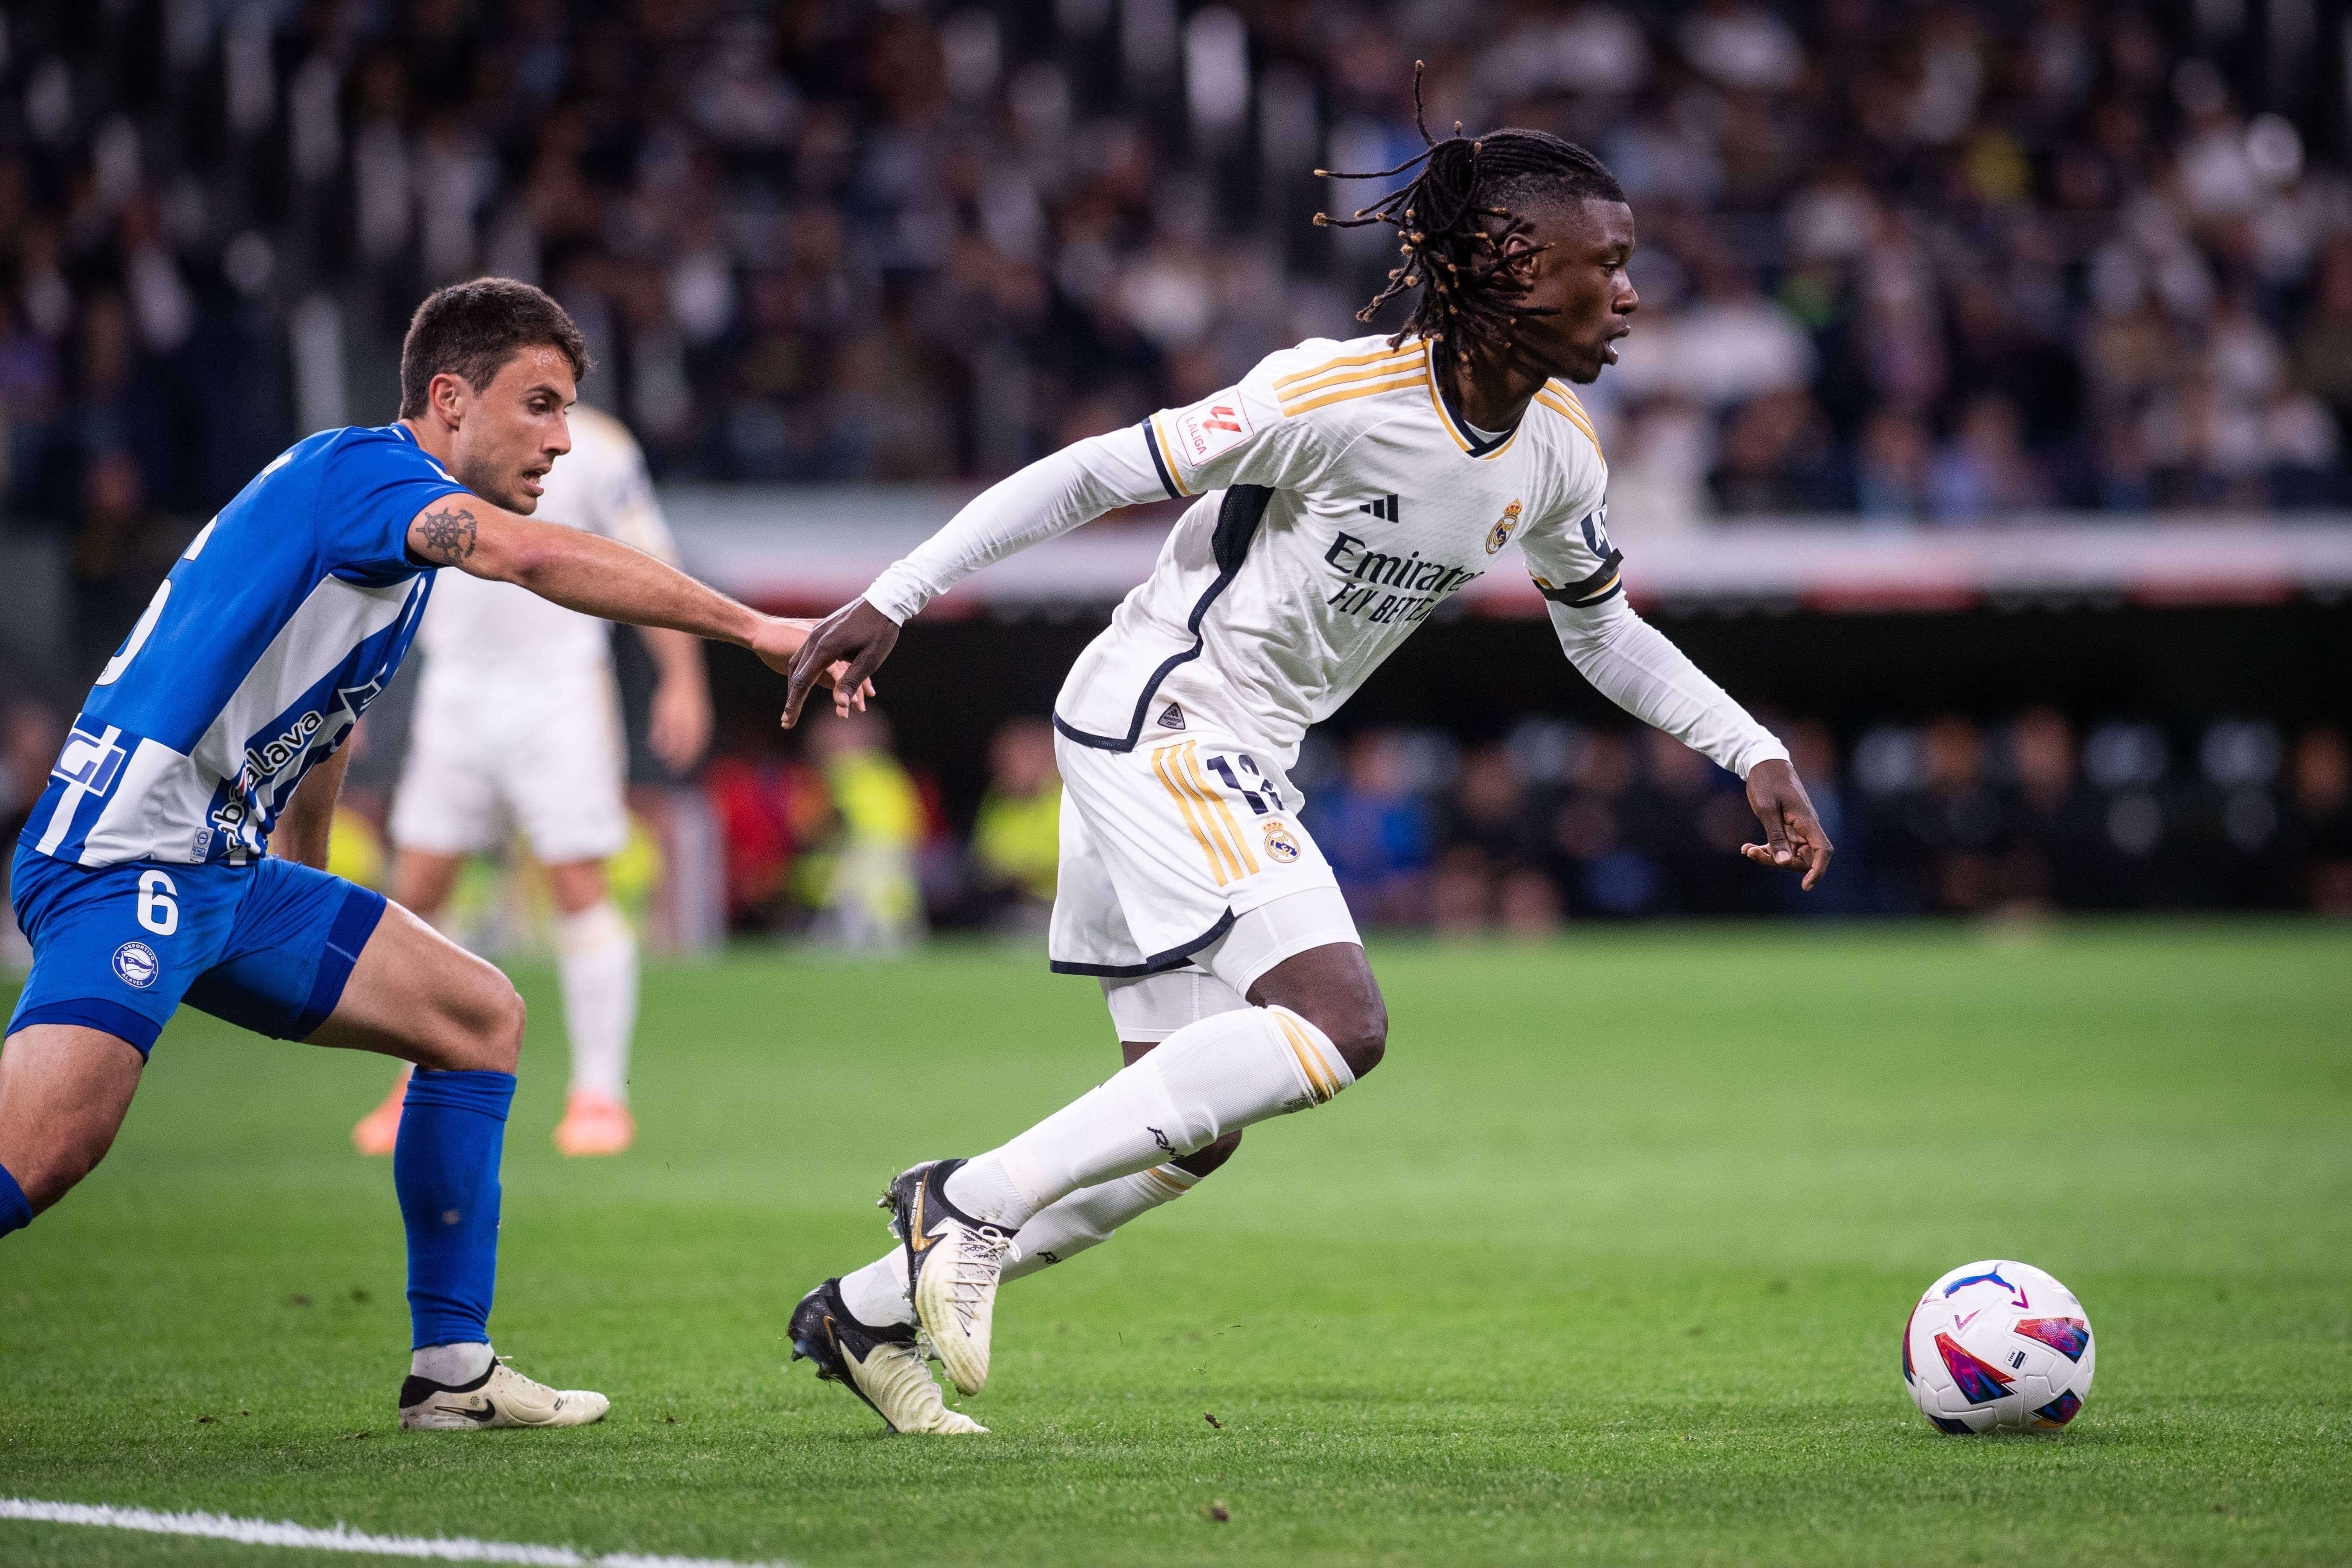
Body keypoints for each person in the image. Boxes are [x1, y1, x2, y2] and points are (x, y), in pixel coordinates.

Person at [776, 97, 1833, 1436]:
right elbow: (1097, 472)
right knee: (1343, 1021)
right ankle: (962, 1202)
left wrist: (1752, 747)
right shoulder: (1336, 394)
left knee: (1189, 1132)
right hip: (1160, 711)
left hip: (1239, 747)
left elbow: (1601, 626)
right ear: (1512, 261)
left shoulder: (1559, 449)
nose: (1629, 295)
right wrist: (899, 592)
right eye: (1605, 264)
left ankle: (865, 1313)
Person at [0, 279, 852, 1430]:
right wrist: (755, 628)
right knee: (48, 1152)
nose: (559, 437)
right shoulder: (364, 476)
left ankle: (453, 1375)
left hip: (222, 873)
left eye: (568, 410)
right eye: (538, 404)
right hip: (124, 859)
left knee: (476, 1018)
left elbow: (324, 726)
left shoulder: (391, 556)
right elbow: (534, 560)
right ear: (448, 400)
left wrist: (308, 879)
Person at [351, 405, 711, 1159]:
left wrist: (683, 678)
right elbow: (368, 573)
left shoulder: (601, 447)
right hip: (456, 692)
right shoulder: (424, 439)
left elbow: (648, 562)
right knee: (418, 890)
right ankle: (411, 1082)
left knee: (578, 885)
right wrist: (343, 693)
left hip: (561, 692)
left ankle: (600, 1098)